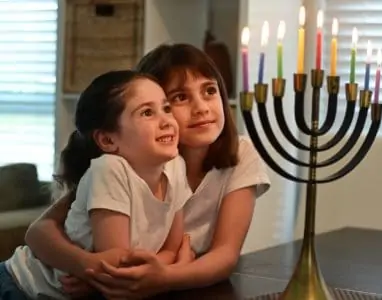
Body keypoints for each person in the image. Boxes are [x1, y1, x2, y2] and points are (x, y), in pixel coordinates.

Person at [25, 44, 271, 299]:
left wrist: (166, 276)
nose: (201, 108)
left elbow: (225, 254)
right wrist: (89, 268)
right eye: (180, 97)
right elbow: (39, 231)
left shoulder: (240, 155)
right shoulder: (125, 162)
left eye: (209, 91)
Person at [0, 70, 191, 299]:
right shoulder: (109, 169)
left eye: (166, 108)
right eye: (148, 112)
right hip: (22, 286)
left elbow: (172, 247)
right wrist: (157, 271)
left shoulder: (176, 166)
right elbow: (117, 268)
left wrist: (155, 272)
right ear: (108, 140)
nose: (166, 121)